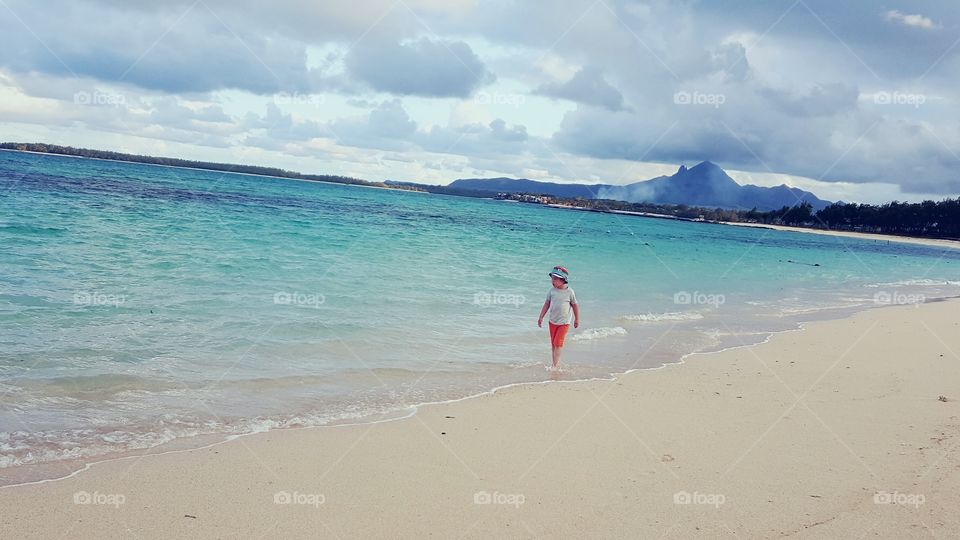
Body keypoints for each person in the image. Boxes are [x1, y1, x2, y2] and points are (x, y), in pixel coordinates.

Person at [537, 265, 580, 369]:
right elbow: (546, 304)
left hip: (564, 322)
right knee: (553, 344)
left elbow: (574, 305)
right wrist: (541, 317)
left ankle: (555, 365)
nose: (553, 281)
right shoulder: (552, 291)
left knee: (558, 343)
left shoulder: (570, 292)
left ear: (563, 280)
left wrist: (577, 319)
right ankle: (554, 363)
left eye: (555, 279)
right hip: (552, 321)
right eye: (552, 278)